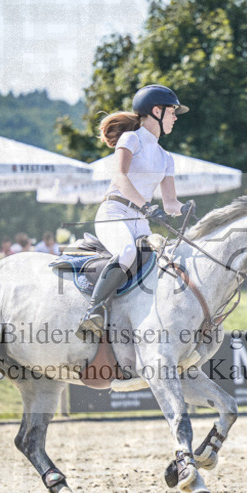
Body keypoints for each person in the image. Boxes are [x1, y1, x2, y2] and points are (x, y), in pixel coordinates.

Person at [75, 84, 188, 339]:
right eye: (172, 112)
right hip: (114, 212)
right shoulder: (131, 139)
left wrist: (184, 208)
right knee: (127, 253)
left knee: (163, 265)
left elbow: (170, 202)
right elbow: (120, 177)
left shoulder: (165, 157)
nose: (175, 118)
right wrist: (146, 205)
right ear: (156, 111)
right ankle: (93, 310)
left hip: (140, 222)